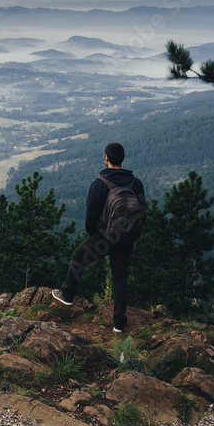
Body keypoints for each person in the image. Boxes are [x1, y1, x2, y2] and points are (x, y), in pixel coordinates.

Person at [52, 142, 146, 333]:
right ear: (122, 158)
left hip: (103, 237)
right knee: (120, 278)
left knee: (79, 258)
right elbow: (142, 210)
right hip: (126, 237)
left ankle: (67, 295)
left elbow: (90, 214)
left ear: (106, 158)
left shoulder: (100, 183)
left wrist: (93, 233)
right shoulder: (135, 182)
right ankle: (119, 324)